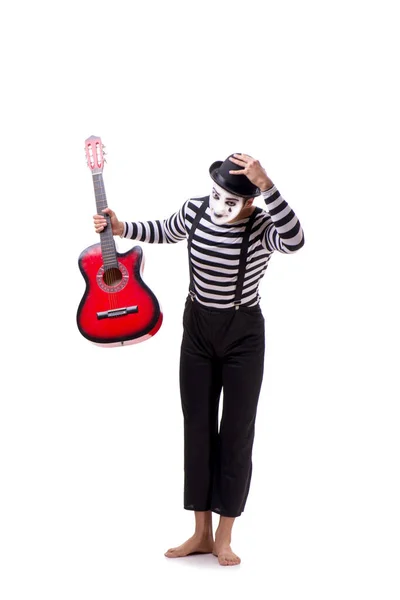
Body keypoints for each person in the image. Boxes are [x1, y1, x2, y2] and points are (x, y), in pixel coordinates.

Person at [93, 153, 305, 566]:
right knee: (197, 428)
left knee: (237, 431)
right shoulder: (195, 209)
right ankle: (200, 532)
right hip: (198, 328)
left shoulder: (263, 226)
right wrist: (121, 228)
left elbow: (296, 241)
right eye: (216, 194)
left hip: (243, 333)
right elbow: (165, 230)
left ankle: (225, 536)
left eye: (231, 199)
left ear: (248, 203)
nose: (219, 204)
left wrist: (269, 186)